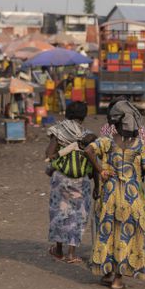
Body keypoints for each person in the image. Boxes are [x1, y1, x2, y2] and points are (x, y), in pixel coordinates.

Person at [86, 100, 145, 289]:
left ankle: (108, 273)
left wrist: (100, 170)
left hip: (109, 195)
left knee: (108, 232)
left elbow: (88, 150)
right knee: (125, 235)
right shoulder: (138, 145)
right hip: (131, 198)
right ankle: (117, 279)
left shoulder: (107, 141)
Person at [45, 101, 94, 264]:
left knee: (60, 212)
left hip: (61, 179)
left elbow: (49, 153)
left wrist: (63, 155)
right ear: (84, 115)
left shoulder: (59, 130)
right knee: (78, 214)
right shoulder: (87, 134)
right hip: (82, 180)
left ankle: (58, 250)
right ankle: (72, 254)